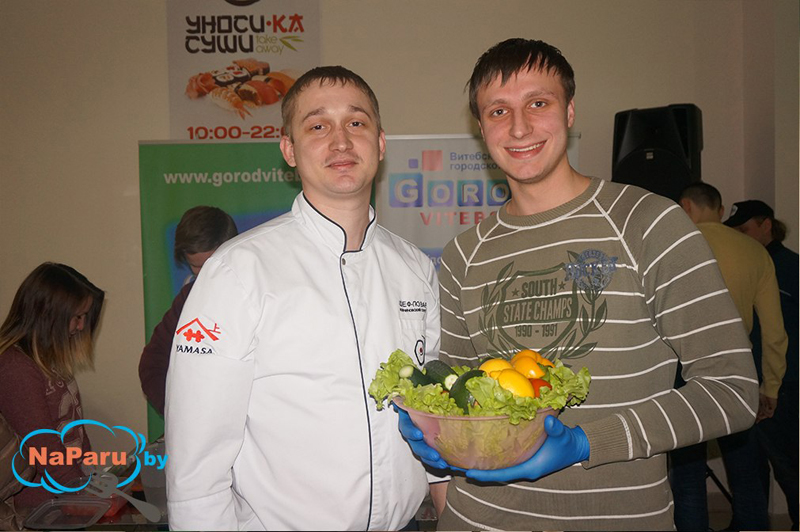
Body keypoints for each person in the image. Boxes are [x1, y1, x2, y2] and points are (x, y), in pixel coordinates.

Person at [401, 38, 758, 531]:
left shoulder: (647, 223)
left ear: (569, 111)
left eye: (538, 103)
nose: (519, 127)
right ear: (481, 128)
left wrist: (588, 443)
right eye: (499, 111)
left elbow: (733, 390)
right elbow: (460, 395)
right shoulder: (465, 252)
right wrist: (436, 433)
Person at [165, 66, 446, 531]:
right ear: (289, 150)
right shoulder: (238, 271)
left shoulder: (414, 268)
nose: (341, 141)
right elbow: (197, 462)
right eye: (317, 126)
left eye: (356, 122)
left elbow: (432, 417)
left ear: (380, 144)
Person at [671, 183, 787, 531]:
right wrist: (771, 387)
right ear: (720, 211)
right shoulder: (755, 252)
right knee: (746, 470)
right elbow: (774, 332)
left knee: (688, 472)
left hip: (683, 368)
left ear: (685, 206)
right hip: (737, 369)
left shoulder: (675, 247)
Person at [0, 263, 104, 509]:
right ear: (49, 314)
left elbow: (74, 427)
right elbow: (44, 447)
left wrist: (92, 477)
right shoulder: (15, 367)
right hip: (39, 507)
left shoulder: (50, 359)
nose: (81, 326)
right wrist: (82, 494)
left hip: (65, 494)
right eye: (77, 317)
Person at [725, 199, 799, 530]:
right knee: (746, 466)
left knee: (788, 465)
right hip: (745, 381)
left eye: (745, 230)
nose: (739, 238)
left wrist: (775, 385)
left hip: (783, 385)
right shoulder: (747, 264)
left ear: (766, 225)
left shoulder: (791, 268)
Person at [138, 205, 238, 416]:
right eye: (196, 267)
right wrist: (179, 414)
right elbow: (153, 363)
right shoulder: (188, 299)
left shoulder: (259, 296)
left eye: (212, 265)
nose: (204, 276)